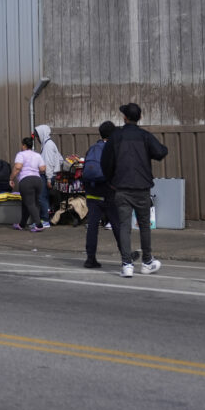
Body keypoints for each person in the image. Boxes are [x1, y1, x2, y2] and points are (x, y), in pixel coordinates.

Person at [101, 102, 169, 278]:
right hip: (142, 187)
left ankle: (127, 264)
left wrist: (111, 181)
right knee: (144, 225)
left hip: (121, 187)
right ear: (139, 118)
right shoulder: (145, 136)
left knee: (124, 226)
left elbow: (105, 162)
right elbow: (160, 152)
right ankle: (147, 261)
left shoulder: (116, 137)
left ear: (125, 117)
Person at [82, 121, 124, 268]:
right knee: (117, 224)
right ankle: (126, 257)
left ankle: (90, 258)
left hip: (92, 193)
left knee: (92, 226)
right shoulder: (113, 149)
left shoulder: (92, 148)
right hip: (108, 192)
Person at [10, 136, 47, 232]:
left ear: (24, 145)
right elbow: (43, 168)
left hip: (26, 181)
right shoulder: (37, 155)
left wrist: (11, 178)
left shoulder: (21, 154)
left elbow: (18, 167)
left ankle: (39, 225)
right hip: (38, 180)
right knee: (28, 203)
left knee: (30, 203)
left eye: (22, 145)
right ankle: (22, 224)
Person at [33, 124, 63, 227]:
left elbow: (48, 164)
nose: (37, 139)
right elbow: (60, 159)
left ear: (42, 134)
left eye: (37, 136)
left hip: (47, 176)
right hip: (49, 175)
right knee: (44, 197)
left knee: (42, 197)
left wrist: (49, 178)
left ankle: (45, 220)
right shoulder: (49, 144)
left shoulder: (48, 146)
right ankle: (45, 218)